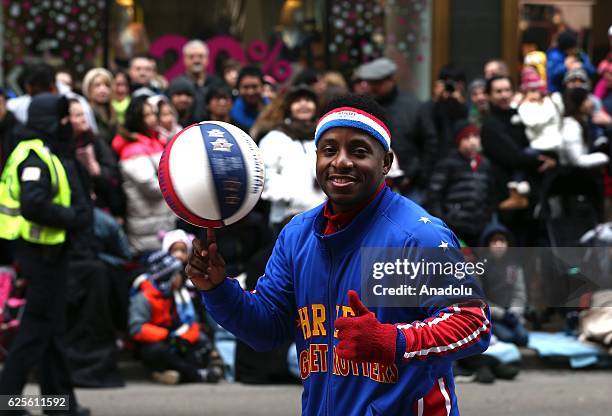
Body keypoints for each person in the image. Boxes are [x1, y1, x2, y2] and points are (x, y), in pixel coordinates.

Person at [187, 94, 490, 415]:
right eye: (329, 150)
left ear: (386, 162)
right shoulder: (297, 235)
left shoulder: (418, 236)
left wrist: (391, 341)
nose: (341, 161)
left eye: (359, 151)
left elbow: (473, 324)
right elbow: (267, 331)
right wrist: (218, 290)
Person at [0, 93, 91, 415]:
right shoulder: (34, 155)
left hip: (49, 254)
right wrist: (73, 217)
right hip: (39, 255)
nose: (69, 124)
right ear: (50, 120)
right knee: (35, 331)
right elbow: (33, 204)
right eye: (64, 117)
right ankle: (7, 401)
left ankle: (60, 404)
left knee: (52, 332)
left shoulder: (45, 151)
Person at [129, 249, 223, 385]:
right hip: (157, 341)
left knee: (200, 340)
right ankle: (198, 374)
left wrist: (184, 339)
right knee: (158, 351)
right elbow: (136, 329)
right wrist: (168, 336)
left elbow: (192, 323)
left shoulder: (179, 294)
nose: (181, 278)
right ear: (168, 277)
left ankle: (172, 374)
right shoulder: (143, 297)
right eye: (177, 274)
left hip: (176, 338)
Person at [354, 57, 436, 197]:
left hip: (409, 186)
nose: (371, 87)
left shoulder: (413, 107)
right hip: (372, 184)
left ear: (390, 80)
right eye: (370, 83)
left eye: (376, 83)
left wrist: (416, 176)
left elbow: (430, 144)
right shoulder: (364, 106)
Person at [111, 96, 174, 255]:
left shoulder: (155, 142)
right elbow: (152, 187)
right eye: (146, 115)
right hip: (147, 228)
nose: (153, 118)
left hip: (160, 221)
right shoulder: (133, 150)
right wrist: (177, 182)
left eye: (153, 113)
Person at [258, 85, 326, 227]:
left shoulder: (323, 136)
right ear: (289, 107)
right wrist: (291, 196)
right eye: (297, 101)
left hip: (324, 216)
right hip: (287, 217)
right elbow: (264, 174)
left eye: (308, 100)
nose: (303, 104)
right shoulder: (275, 137)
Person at [425, 120, 495, 247]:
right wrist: (443, 223)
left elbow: (490, 195)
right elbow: (434, 195)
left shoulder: (485, 164)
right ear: (458, 142)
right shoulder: (447, 163)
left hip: (479, 227)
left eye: (475, 136)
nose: (472, 142)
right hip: (454, 227)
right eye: (466, 138)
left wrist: (486, 217)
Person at [174, 39, 223, 121]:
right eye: (191, 57)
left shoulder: (217, 83)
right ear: (184, 60)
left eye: (201, 56)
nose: (196, 60)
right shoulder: (176, 85)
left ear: (207, 59)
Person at [560, 88, 609, 169]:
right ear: (579, 105)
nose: (591, 103)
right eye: (587, 99)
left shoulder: (586, 121)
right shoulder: (571, 127)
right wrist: (606, 157)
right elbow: (577, 161)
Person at [82, 68, 118, 144]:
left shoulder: (113, 112)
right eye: (97, 86)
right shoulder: (85, 112)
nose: (103, 90)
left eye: (107, 85)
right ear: (88, 89)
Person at [229, 66, 270, 132]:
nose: (250, 92)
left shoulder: (272, 108)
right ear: (238, 88)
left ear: (262, 87)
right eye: (246, 87)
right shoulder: (232, 115)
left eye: (254, 87)